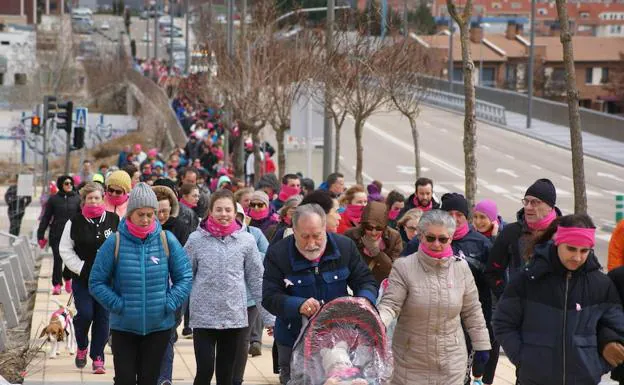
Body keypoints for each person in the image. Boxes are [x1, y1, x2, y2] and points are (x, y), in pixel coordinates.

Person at [493, 213, 624, 385]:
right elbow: (503, 323)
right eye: (571, 249)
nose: (577, 257)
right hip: (535, 379)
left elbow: (617, 327)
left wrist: (598, 365)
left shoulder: (601, 285)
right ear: (558, 242)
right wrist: (524, 359)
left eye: (584, 251)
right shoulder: (528, 279)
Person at [262, 204, 379, 385]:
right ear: (293, 231)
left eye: (317, 236)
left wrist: (363, 302)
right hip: (293, 339)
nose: (311, 244)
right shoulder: (279, 253)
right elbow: (269, 297)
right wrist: (298, 304)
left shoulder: (344, 247)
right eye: (304, 237)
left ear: (325, 228)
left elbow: (366, 281)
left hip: (339, 340)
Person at [89, 183, 192, 385]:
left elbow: (185, 277)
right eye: (140, 214)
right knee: (125, 379)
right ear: (129, 214)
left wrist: (169, 303)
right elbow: (96, 282)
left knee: (149, 380)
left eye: (150, 214)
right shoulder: (115, 242)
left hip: (158, 327)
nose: (145, 220)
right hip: (124, 328)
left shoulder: (166, 240)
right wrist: (118, 305)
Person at [377, 210, 491, 385]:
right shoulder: (404, 267)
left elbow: (472, 310)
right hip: (410, 362)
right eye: (430, 238)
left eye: (443, 239)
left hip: (451, 362)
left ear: (451, 239)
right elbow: (391, 304)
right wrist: (377, 323)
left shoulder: (461, 269)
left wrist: (482, 344)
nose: (436, 244)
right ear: (421, 236)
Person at [184, 189, 272, 385]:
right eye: (219, 210)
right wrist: (174, 309)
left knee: (227, 375)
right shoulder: (196, 240)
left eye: (228, 210)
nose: (223, 214)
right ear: (210, 212)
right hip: (203, 318)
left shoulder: (246, 241)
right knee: (204, 371)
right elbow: (185, 276)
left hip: (234, 318)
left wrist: (269, 317)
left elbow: (257, 280)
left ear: (235, 212)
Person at [59, 182, 119, 374]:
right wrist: (81, 267)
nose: (93, 201)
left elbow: (121, 245)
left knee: (103, 318)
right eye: (89, 198)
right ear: (83, 201)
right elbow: (65, 249)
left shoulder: (114, 219)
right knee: (85, 314)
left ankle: (98, 356)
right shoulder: (74, 222)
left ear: (103, 199)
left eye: (97, 198)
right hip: (83, 278)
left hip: (107, 281)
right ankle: (82, 346)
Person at [485, 178, 562, 299]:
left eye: (535, 202)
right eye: (526, 202)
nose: (528, 207)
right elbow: (492, 272)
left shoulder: (564, 232)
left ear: (550, 207)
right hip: (519, 310)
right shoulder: (511, 232)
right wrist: (507, 297)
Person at [153, 185, 191, 385]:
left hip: (174, 289)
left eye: (165, 212)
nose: (160, 216)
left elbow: (186, 261)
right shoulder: (142, 227)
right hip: (149, 289)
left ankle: (164, 377)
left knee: (167, 333)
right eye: (156, 212)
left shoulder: (180, 228)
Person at [37, 175, 81, 295]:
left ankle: (67, 278)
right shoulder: (53, 199)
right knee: (57, 259)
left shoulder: (77, 199)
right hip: (56, 233)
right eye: (66, 183)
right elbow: (46, 217)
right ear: (61, 184)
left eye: (71, 183)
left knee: (70, 259)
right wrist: (40, 235)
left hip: (73, 234)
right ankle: (56, 284)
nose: (69, 185)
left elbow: (82, 217)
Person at [344, 201, 402, 284]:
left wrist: (376, 252)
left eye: (379, 228)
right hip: (354, 283)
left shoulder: (394, 237)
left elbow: (393, 269)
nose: (373, 232)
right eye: (369, 227)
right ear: (363, 226)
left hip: (380, 284)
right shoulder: (351, 235)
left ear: (384, 226)